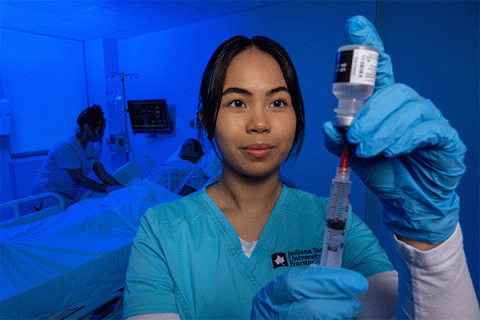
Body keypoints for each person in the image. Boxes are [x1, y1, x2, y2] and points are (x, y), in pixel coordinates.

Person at [122, 16, 480, 320]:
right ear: (207, 120)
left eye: (278, 101)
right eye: (237, 102)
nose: (260, 123)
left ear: (297, 116)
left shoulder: (336, 219)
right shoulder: (161, 231)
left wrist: (431, 244)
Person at [31, 105, 123, 208]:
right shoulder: (67, 147)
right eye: (100, 129)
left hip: (67, 192)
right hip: (48, 192)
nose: (101, 134)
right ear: (88, 128)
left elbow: (103, 175)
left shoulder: (91, 149)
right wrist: (107, 189)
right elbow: (80, 179)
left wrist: (121, 188)